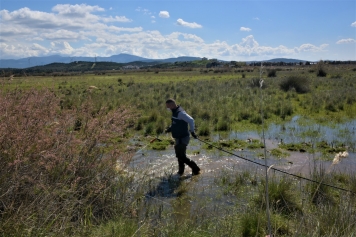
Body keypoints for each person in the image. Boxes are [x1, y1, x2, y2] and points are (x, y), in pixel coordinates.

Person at [165, 99, 201, 176]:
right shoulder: (174, 112)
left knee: (181, 155)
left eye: (168, 106)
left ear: (172, 105)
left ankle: (195, 169)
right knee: (179, 155)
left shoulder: (180, 113)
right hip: (178, 137)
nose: (167, 108)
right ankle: (180, 172)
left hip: (183, 137)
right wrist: (170, 128)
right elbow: (176, 123)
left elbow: (191, 120)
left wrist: (192, 131)